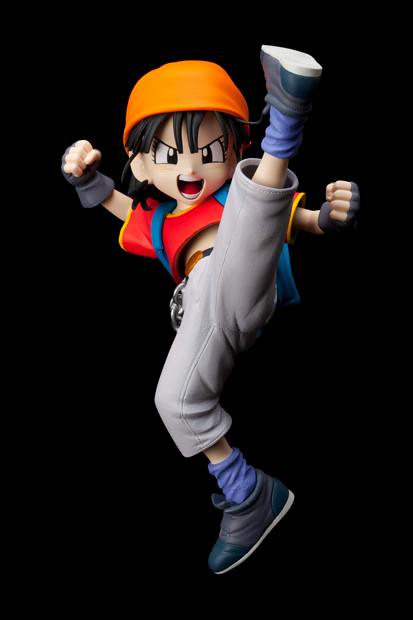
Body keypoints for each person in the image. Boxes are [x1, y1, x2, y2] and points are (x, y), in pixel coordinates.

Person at [62, 46, 360, 574]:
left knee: (246, 219)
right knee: (175, 402)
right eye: (169, 155)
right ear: (139, 163)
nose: (190, 168)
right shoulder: (160, 222)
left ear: (238, 147)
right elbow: (125, 210)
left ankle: (285, 126)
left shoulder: (235, 200)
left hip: (244, 285)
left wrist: (329, 218)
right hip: (205, 306)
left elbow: (292, 220)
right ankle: (247, 491)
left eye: (209, 149)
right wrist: (87, 180)